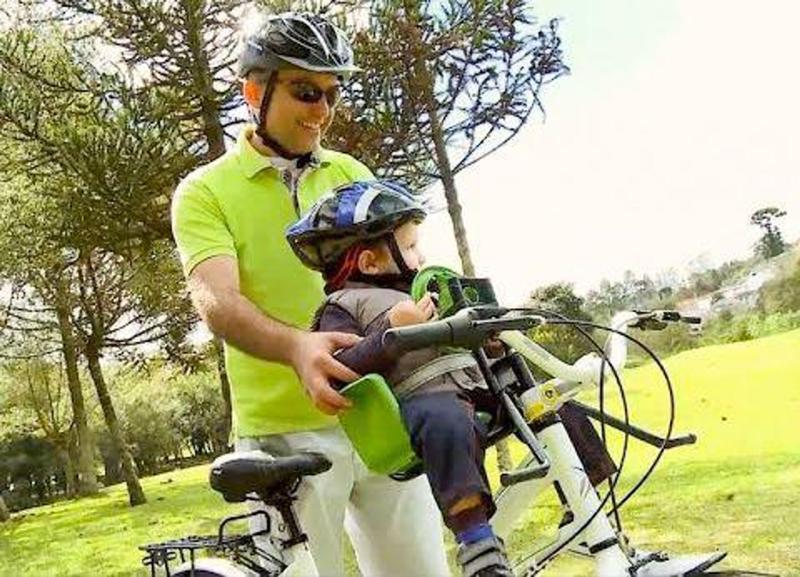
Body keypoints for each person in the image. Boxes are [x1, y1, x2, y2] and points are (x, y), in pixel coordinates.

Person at [171, 11, 450, 577]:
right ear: (256, 91)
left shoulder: (350, 172)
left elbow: (395, 271)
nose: (322, 111)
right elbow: (215, 298)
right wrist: (299, 347)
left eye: (331, 93)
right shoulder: (204, 192)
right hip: (281, 435)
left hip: (377, 412)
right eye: (305, 92)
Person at [287, 179, 518, 577]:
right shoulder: (341, 306)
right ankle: (477, 543)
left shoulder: (422, 294)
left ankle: (586, 493)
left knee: (547, 397)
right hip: (419, 403)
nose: (421, 254)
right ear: (369, 263)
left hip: (471, 388)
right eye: (410, 247)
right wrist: (391, 331)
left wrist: (490, 342)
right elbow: (342, 368)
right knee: (445, 421)